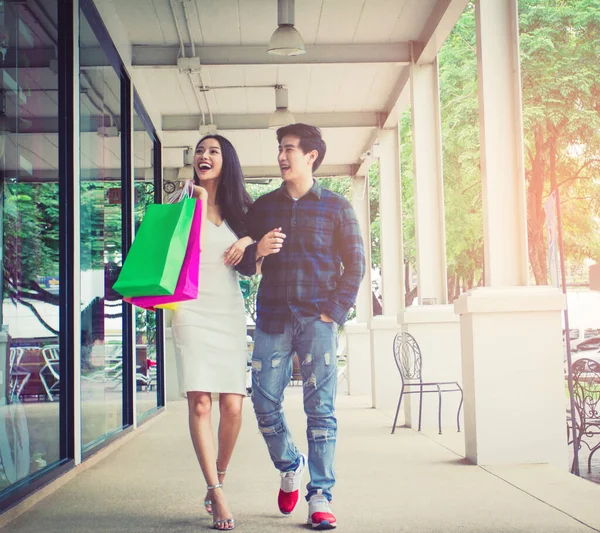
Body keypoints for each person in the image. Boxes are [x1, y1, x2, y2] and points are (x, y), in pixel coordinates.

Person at [237, 123, 366, 529]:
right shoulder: (262, 208)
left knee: (321, 411)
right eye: (279, 148)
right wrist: (256, 250)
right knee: (262, 404)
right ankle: (290, 463)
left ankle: (321, 494)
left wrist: (334, 311)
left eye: (288, 149)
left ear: (311, 155)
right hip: (273, 317)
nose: (281, 156)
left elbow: (356, 264)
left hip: (317, 321)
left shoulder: (337, 206)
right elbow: (243, 266)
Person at [170, 134, 255, 531]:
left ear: (227, 161)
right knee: (201, 402)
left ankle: (218, 473)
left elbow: (254, 263)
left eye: (213, 151)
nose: (204, 156)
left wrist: (247, 238)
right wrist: (195, 203)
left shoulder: (242, 209)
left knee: (233, 406)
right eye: (200, 151)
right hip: (189, 308)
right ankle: (217, 491)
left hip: (227, 311)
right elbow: (168, 248)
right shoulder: (183, 201)